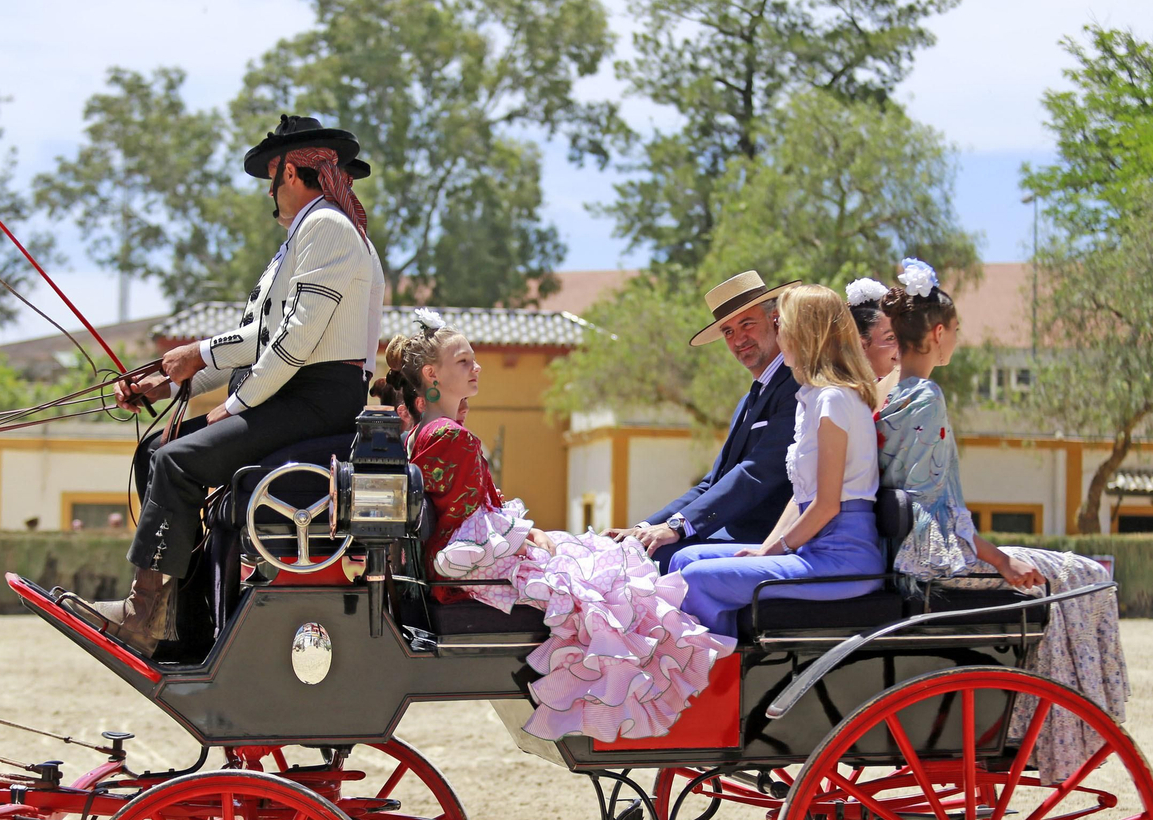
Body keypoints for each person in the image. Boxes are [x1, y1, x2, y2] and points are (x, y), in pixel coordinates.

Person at [72, 115, 385, 655]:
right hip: (295, 390)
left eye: (271, 178)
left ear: (290, 172)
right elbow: (261, 340)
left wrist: (233, 400)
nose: (269, 191)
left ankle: (142, 615)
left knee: (177, 460)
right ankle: (181, 626)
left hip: (319, 398)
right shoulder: (305, 236)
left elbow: (292, 341)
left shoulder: (326, 228)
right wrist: (166, 381)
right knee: (156, 451)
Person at [386, 310, 733, 743]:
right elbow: (467, 527)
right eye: (464, 362)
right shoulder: (449, 436)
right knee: (611, 585)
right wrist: (530, 540)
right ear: (432, 374)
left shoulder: (425, 433)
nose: (477, 367)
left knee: (603, 564)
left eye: (474, 359)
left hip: (467, 562)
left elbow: (471, 516)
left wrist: (530, 536)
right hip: (473, 572)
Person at [877, 257, 1128, 783]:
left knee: (1066, 576)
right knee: (1081, 579)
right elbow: (935, 511)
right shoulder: (926, 398)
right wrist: (1002, 561)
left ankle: (1039, 728)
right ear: (938, 333)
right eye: (956, 331)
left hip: (901, 551)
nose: (956, 340)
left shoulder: (887, 397)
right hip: (931, 558)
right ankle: (1053, 734)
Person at [668, 285, 886, 637]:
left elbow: (827, 505)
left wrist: (771, 551)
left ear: (805, 333)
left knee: (694, 578)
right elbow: (799, 499)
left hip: (842, 559)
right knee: (682, 559)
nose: (778, 332)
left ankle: (715, 666)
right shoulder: (812, 398)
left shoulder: (833, 400)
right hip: (812, 549)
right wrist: (768, 551)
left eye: (781, 324)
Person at [605, 271, 799, 572]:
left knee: (655, 561)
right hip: (729, 533)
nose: (738, 339)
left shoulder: (796, 387)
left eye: (747, 324)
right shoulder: (748, 401)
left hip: (769, 539)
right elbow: (713, 482)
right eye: (728, 331)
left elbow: (757, 473)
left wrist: (679, 526)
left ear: (775, 319)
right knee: (630, 552)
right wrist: (644, 528)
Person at [845, 277, 900, 394]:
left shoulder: (894, 392)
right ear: (862, 344)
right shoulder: (841, 395)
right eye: (890, 338)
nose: (900, 346)